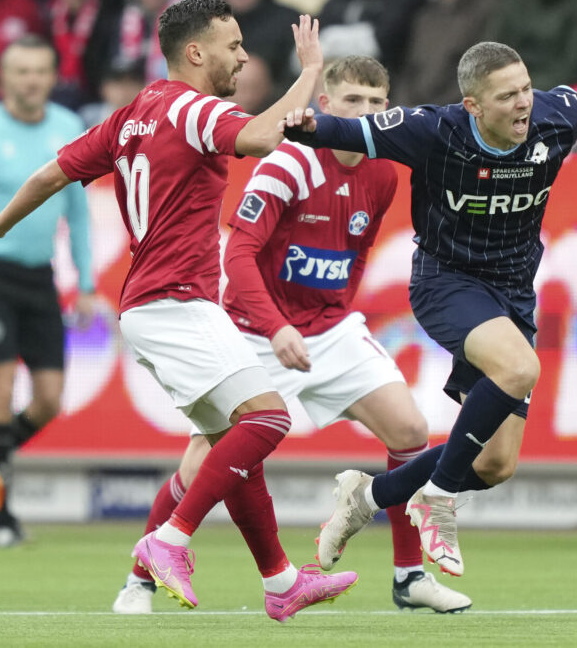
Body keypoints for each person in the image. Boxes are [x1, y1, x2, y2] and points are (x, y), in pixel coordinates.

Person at [0, 0, 358, 623]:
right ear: (196, 53)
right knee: (268, 421)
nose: (244, 56)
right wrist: (308, 73)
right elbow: (256, 135)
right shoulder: (194, 108)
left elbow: (52, 174)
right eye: (233, 45)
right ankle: (168, 542)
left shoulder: (133, 114)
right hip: (176, 300)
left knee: (230, 444)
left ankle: (279, 580)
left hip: (154, 303)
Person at [281, 41, 577, 577]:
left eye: (525, 89)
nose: (523, 104)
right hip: (447, 282)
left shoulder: (553, 116)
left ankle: (369, 497)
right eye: (507, 96)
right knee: (519, 369)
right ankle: (437, 497)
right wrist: (302, 126)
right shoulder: (432, 129)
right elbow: (347, 131)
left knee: (495, 464)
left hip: (513, 293)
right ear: (472, 105)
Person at [113, 55, 471, 615]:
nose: (366, 112)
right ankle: (139, 577)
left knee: (408, 428)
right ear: (325, 105)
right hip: (257, 331)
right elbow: (241, 252)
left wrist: (331, 313)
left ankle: (408, 577)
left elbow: (357, 253)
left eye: (377, 103)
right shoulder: (289, 162)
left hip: (328, 328)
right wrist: (277, 326)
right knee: (203, 460)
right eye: (353, 101)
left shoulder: (382, 172)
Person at [0, 35, 94, 548]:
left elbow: (77, 211)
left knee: (49, 400)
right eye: (20, 71)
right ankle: (1, 513)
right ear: (4, 78)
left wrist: (88, 282)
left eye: (39, 71)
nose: (30, 80)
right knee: (1, 385)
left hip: (40, 275)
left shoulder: (68, 128)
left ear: (52, 77)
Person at [396, 0, 497, 107]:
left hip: (457, 108)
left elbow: (481, 70)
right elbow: (409, 68)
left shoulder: (489, 9)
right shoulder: (425, 16)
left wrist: (437, 110)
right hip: (417, 108)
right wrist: (405, 108)